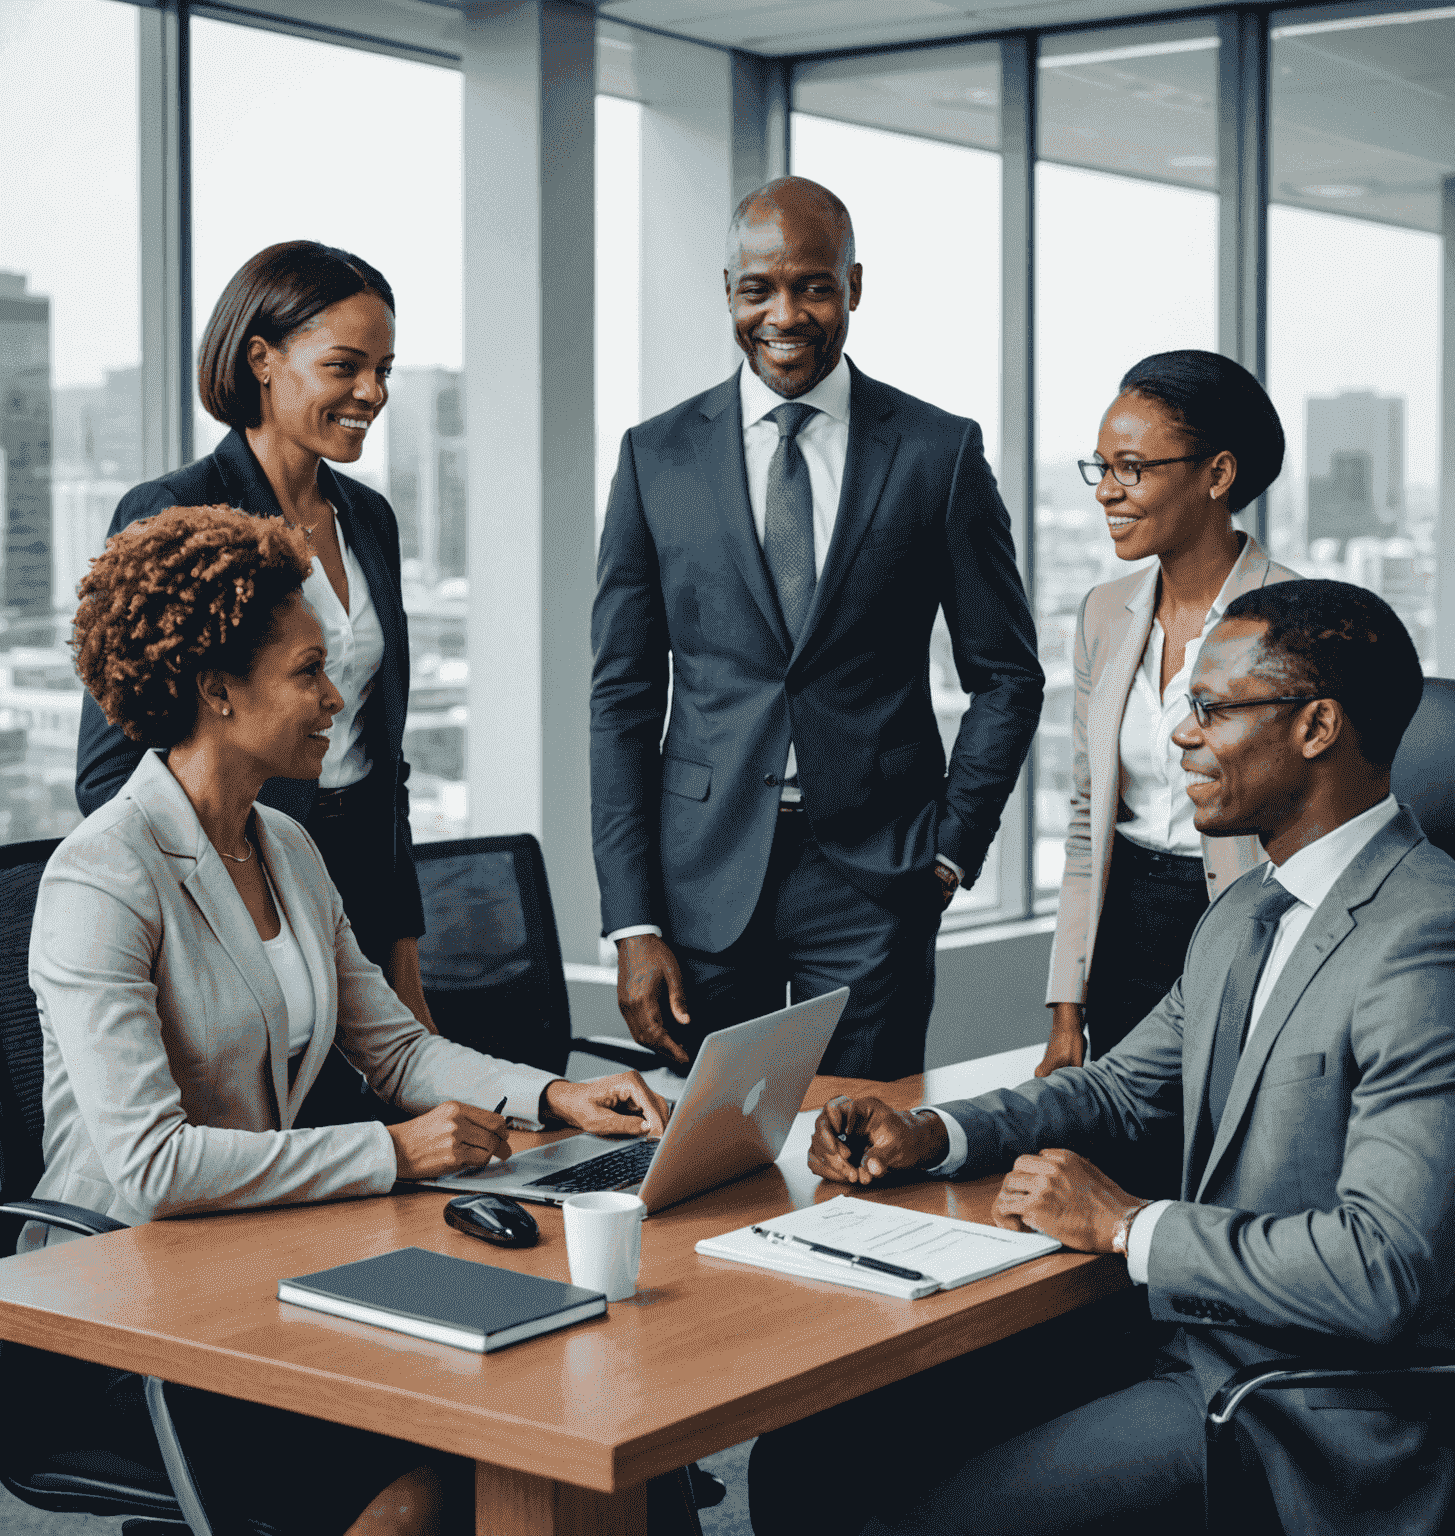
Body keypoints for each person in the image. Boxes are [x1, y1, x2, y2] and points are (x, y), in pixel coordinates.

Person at [749, 579, 1455, 1536]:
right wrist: (934, 1131)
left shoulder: (1435, 946)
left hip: (1300, 1410)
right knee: (807, 1456)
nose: (1179, 736)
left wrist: (1128, 1223)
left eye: (1211, 709)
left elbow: (1384, 1270)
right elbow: (1122, 1089)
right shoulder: (1250, 909)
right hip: (1176, 1341)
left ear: (1317, 726)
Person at [21, 505, 670, 1536]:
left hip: (266, 1259)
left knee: (559, 1413)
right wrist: (392, 1155)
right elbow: (148, 1167)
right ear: (217, 690)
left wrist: (551, 1095)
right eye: (309, 672)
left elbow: (398, 1048)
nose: (335, 699)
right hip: (125, 1306)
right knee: (416, 1489)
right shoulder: (102, 877)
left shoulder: (284, 843)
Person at [590, 176, 1043, 1081]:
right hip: (703, 878)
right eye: (758, 289)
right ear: (728, 292)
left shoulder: (936, 452)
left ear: (854, 285)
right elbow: (622, 696)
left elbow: (1007, 674)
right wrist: (633, 920)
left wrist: (952, 850)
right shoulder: (655, 456)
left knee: (862, 1153)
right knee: (713, 1161)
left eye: (813, 285)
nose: (784, 314)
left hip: (876, 879)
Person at [75, 242, 439, 1096]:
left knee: (402, 1135)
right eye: (344, 366)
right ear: (262, 359)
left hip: (359, 879)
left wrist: (404, 953)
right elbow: (108, 771)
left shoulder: (368, 518)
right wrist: (229, 892)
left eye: (384, 369)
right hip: (241, 877)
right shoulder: (176, 510)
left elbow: (386, 760)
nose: (373, 394)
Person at [1040, 350, 1297, 1081]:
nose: (1107, 494)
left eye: (1132, 468)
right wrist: (1067, 1010)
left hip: (1240, 929)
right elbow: (1089, 818)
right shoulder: (1101, 614)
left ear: (1217, 474)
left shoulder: (1294, 619)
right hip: (1124, 932)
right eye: (1101, 468)